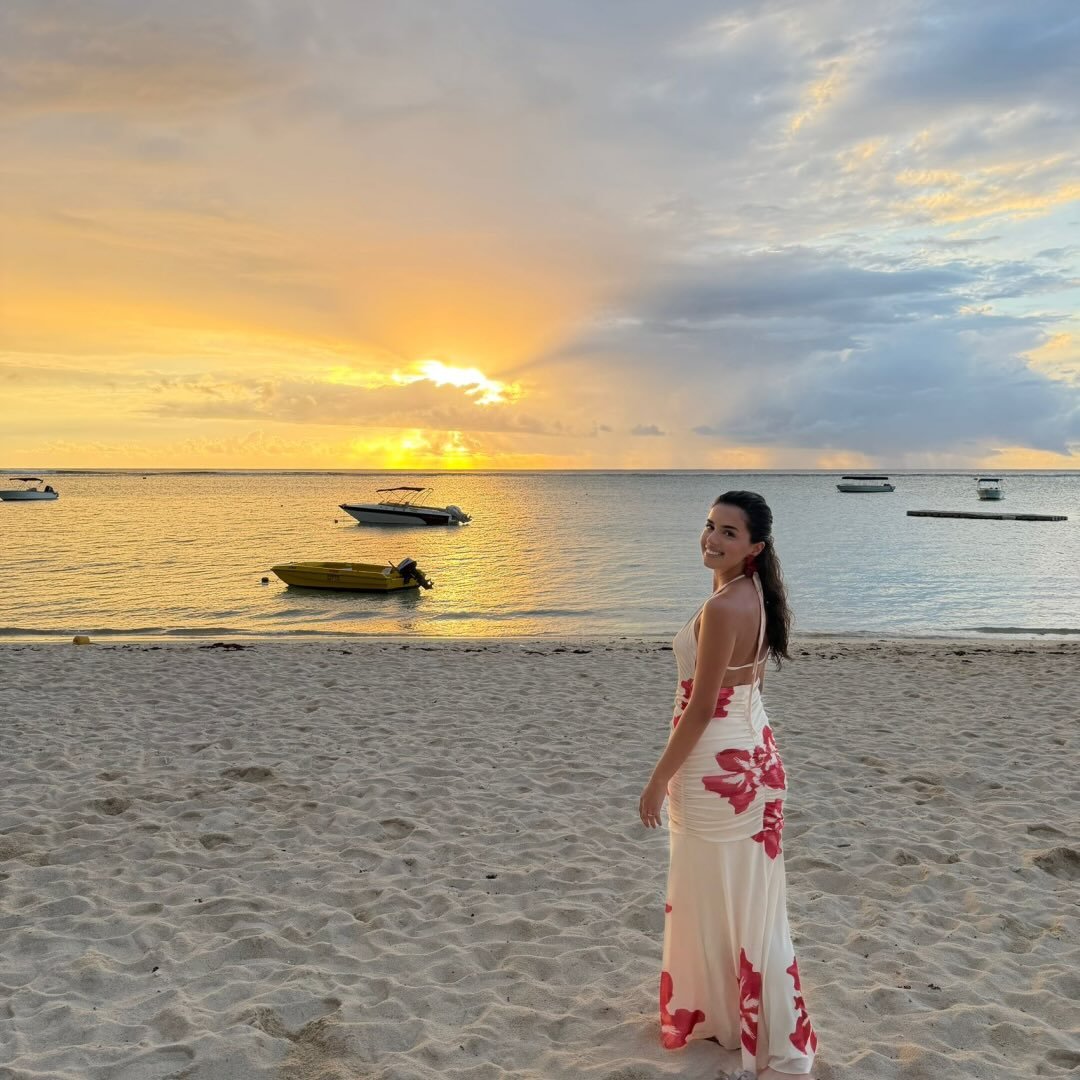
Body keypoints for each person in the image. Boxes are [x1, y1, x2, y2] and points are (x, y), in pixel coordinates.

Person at [639, 491, 817, 1079]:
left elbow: (700, 709)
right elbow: (746, 690)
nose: (712, 539)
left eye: (729, 533)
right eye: (710, 525)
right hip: (755, 756)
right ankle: (728, 1015)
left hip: (719, 769)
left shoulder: (723, 607)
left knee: (713, 890)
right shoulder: (758, 594)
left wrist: (658, 779)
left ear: (754, 547)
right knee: (742, 898)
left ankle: (732, 1019)